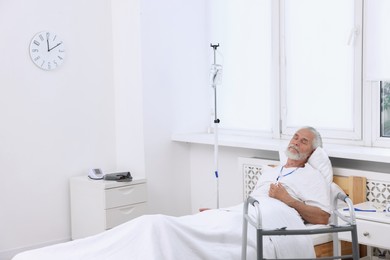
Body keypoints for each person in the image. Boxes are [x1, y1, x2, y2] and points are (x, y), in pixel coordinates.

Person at [251, 126, 331, 225]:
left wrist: (288, 199)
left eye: (304, 141)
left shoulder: (312, 176)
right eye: (295, 137)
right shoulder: (269, 173)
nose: (296, 143)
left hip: (271, 219)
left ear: (312, 152)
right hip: (248, 212)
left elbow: (322, 218)